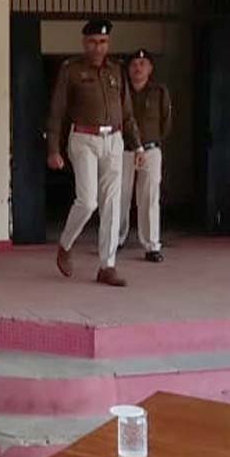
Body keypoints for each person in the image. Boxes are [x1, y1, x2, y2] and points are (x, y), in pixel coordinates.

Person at [46, 19, 144, 287]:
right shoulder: (71, 70)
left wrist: (137, 145)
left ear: (108, 44)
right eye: (92, 42)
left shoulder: (117, 70)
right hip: (83, 138)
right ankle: (65, 244)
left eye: (102, 42)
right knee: (88, 201)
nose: (98, 47)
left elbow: (127, 112)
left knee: (112, 204)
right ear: (84, 43)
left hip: (114, 140)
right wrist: (53, 149)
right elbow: (56, 111)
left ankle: (107, 266)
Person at [120, 48, 173, 263]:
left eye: (142, 64)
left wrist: (149, 143)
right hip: (124, 149)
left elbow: (166, 122)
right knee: (119, 196)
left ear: (150, 68)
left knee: (149, 197)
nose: (138, 68)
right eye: (134, 64)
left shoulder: (159, 91)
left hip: (150, 150)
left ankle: (152, 245)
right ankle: (115, 239)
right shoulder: (121, 91)